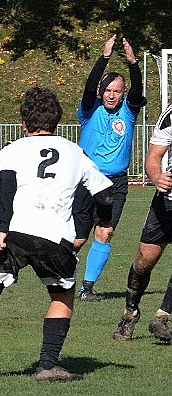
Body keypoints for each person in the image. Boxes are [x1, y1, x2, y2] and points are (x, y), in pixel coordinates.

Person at [0, 86, 114, 384]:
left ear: (24, 122)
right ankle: (47, 366)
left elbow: (6, 187)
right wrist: (102, 223)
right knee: (63, 294)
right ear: (56, 121)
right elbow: (105, 195)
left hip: (15, 235)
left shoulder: (13, 149)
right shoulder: (74, 151)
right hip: (54, 239)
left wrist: (1, 229)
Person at [72, 34, 147, 301]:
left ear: (123, 94)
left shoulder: (128, 111)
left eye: (117, 91)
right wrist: (104, 59)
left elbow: (138, 91)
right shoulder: (89, 111)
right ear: (100, 92)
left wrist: (133, 64)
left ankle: (87, 288)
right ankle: (59, 276)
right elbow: (90, 85)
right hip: (87, 180)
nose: (112, 95)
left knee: (105, 231)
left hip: (115, 182)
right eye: (108, 90)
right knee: (78, 239)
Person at [113, 103, 172, 342]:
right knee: (144, 261)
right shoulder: (170, 115)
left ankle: (162, 316)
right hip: (166, 202)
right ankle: (130, 312)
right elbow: (153, 157)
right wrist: (157, 176)